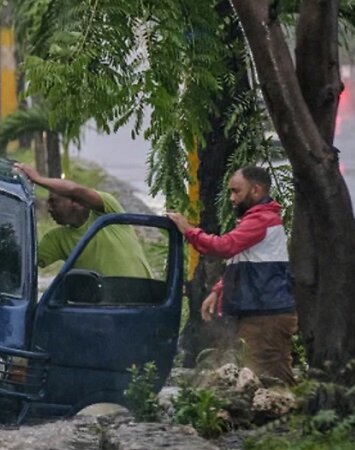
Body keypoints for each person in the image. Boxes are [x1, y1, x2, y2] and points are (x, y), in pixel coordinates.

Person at [167, 166, 296, 385]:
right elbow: (243, 262)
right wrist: (218, 290)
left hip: (265, 316)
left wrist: (188, 229)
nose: (231, 198)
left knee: (271, 379)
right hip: (261, 313)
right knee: (264, 377)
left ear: (256, 190)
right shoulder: (256, 219)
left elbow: (224, 247)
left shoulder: (261, 220)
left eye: (236, 191)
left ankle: (296, 415)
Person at [15, 163, 153, 279]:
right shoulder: (57, 238)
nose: (49, 209)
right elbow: (25, 261)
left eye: (54, 202)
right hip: (103, 308)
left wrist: (38, 179)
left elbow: (74, 190)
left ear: (75, 202)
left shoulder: (107, 211)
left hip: (143, 302)